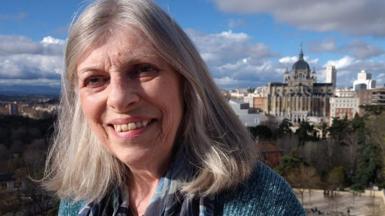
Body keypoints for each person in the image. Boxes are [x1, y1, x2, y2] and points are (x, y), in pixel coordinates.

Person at [43, 0, 305, 215]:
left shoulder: (263, 202)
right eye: (95, 79)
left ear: (186, 83)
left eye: (144, 69)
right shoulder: (78, 199)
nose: (119, 98)